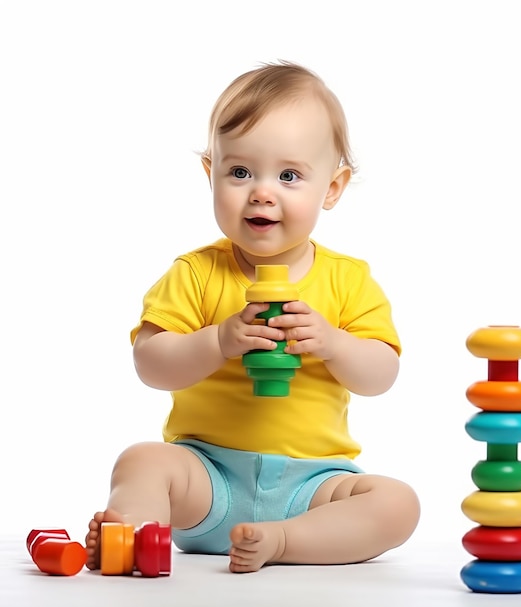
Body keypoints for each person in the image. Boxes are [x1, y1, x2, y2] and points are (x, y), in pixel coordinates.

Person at [85, 60, 420, 573]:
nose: (262, 192)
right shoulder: (196, 273)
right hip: (206, 476)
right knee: (142, 460)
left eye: (289, 176)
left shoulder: (348, 280)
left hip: (311, 485)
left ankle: (283, 540)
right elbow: (151, 364)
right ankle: (129, 538)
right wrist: (218, 340)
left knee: (398, 504)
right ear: (211, 174)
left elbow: (382, 374)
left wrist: (332, 342)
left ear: (332, 188)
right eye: (240, 172)